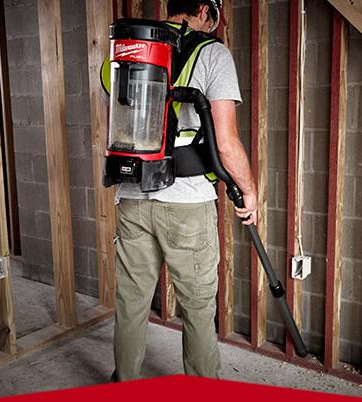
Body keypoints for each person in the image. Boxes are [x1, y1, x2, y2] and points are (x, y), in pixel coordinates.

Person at [112, 0, 258, 381]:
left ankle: (123, 384)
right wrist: (249, 190)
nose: (213, 25)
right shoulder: (213, 53)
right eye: (214, 17)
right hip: (187, 204)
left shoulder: (132, 46)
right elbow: (226, 143)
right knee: (196, 308)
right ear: (204, 10)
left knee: (131, 302)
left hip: (132, 195)